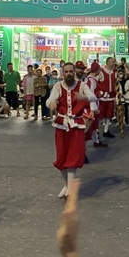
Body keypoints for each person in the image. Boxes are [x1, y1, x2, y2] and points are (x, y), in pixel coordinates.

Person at [47, 62, 98, 199]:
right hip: (61, 124)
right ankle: (67, 185)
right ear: (63, 73)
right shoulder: (58, 86)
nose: (69, 74)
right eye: (66, 72)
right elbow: (51, 99)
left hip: (77, 124)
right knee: (61, 158)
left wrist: (84, 97)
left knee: (73, 157)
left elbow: (93, 96)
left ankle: (70, 190)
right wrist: (52, 103)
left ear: (74, 72)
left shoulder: (81, 85)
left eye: (71, 71)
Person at [96, 57, 118, 138]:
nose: (114, 63)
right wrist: (99, 93)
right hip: (102, 98)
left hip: (111, 97)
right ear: (108, 62)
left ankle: (106, 131)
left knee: (109, 115)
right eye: (112, 62)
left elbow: (117, 84)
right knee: (99, 115)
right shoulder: (101, 72)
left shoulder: (115, 72)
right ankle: (96, 131)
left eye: (114, 62)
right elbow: (95, 83)